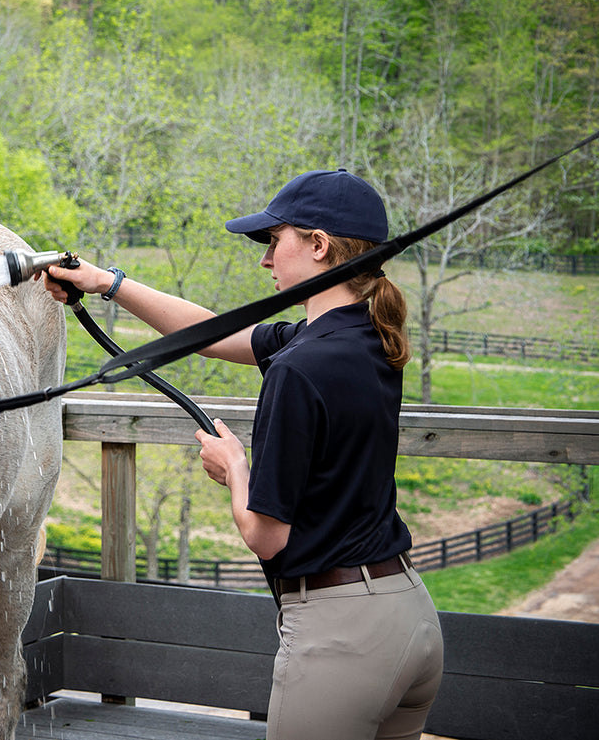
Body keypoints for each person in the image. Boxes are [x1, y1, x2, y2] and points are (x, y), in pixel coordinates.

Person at [42, 169, 444, 740]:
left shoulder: (300, 369)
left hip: (342, 640)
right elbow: (213, 331)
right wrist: (108, 283)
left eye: (274, 241)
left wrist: (234, 468)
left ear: (318, 245)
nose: (266, 261)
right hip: (409, 617)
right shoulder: (363, 336)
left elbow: (266, 535)